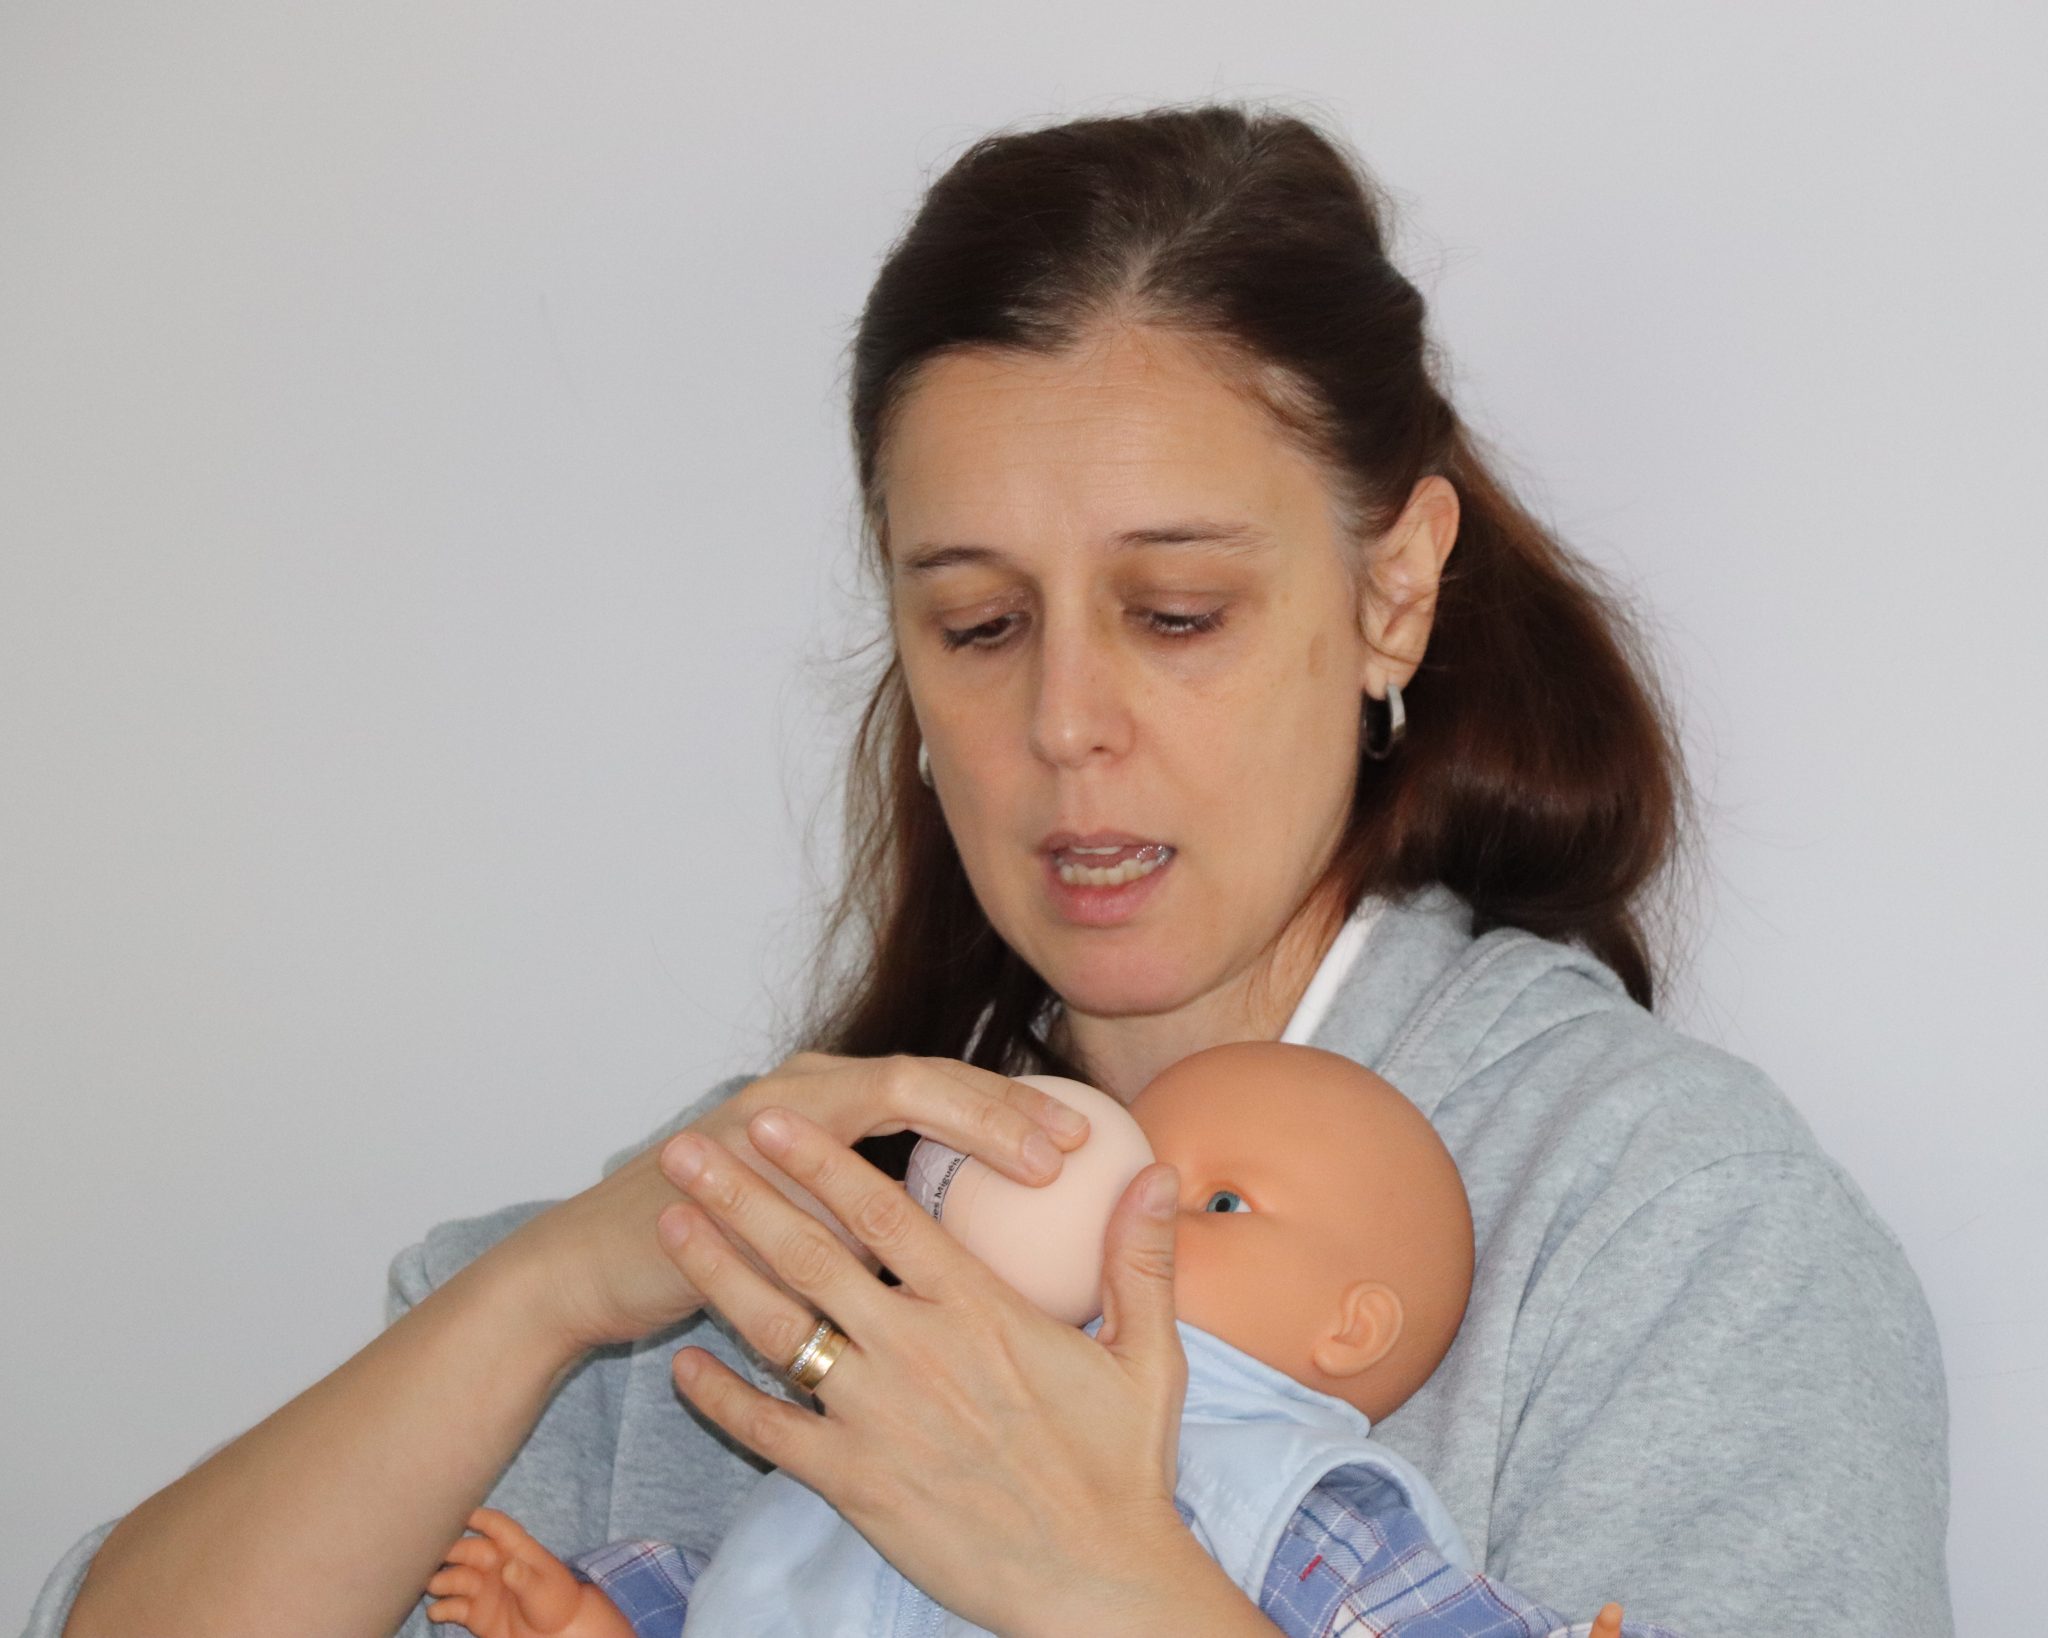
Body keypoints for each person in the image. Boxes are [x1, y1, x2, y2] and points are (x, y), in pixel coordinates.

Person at [32, 102, 1952, 1638]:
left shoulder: (1667, 1229)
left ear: (1393, 593)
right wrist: (548, 1289)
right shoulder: (779, 1212)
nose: (1064, 725)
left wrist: (1096, 1575)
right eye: (977, 624)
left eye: (1176, 612)